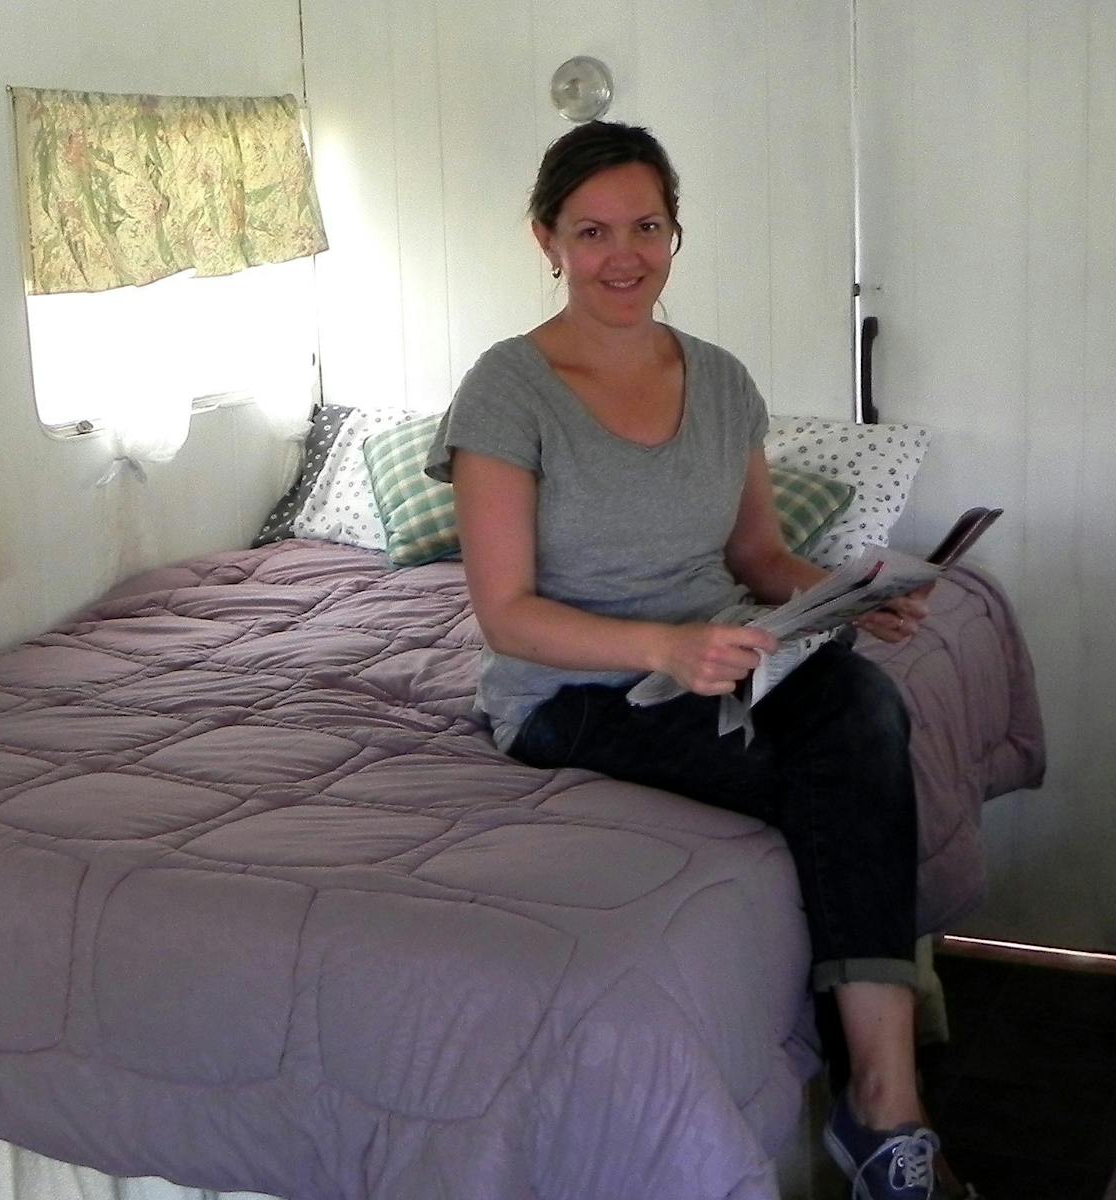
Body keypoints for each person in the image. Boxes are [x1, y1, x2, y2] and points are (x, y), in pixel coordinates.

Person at [424, 121, 956, 1200]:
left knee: (863, 711)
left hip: (727, 656)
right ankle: (879, 1096)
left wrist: (847, 594)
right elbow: (506, 616)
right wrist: (662, 644)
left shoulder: (719, 381)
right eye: (592, 231)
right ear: (547, 239)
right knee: (829, 795)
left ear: (675, 231)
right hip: (572, 693)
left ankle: (884, 1104)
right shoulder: (506, 391)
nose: (624, 254)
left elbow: (754, 553)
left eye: (648, 225)